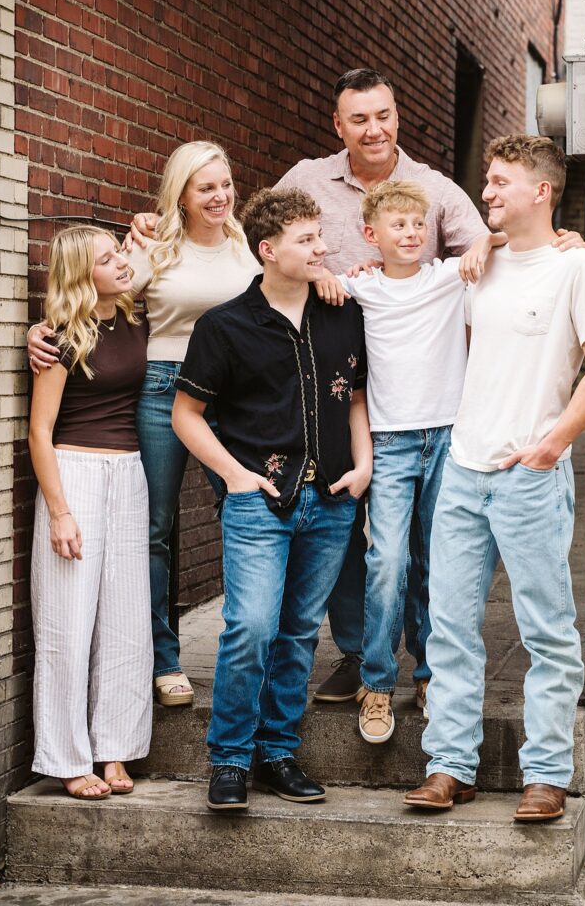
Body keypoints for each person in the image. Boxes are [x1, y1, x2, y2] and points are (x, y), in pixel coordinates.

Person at [128, 69, 585, 704]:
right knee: (338, 531)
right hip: (305, 385)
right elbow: (265, 233)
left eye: (384, 115)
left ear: (397, 117)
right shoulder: (306, 179)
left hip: (384, 391)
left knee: (402, 543)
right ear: (338, 126)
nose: (374, 129)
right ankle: (351, 654)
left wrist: (555, 237)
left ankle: (423, 667)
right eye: (359, 119)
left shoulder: (433, 188)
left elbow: (494, 231)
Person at [403, 136, 585, 821]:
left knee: (547, 632)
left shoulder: (578, 269)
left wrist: (551, 445)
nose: (487, 194)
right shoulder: (481, 265)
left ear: (541, 190)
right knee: (449, 629)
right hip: (463, 471)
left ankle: (547, 774)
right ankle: (448, 766)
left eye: (499, 183)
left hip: (528, 475)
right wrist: (486, 247)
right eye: (485, 182)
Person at [27, 142, 262, 707]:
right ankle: (165, 659)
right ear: (179, 193)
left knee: (245, 511)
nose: (220, 195)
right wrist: (43, 332)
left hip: (228, 399)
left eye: (225, 184)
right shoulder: (154, 249)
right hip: (161, 390)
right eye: (205, 186)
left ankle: (250, 647)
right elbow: (92, 304)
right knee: (154, 530)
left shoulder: (244, 248)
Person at [171, 187, 371, 811]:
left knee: (300, 632)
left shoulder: (343, 313)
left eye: (320, 236)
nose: (322, 248)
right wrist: (233, 475)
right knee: (251, 627)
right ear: (268, 250)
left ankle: (278, 752)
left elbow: (356, 398)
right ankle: (230, 758)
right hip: (260, 496)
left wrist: (364, 466)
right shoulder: (224, 325)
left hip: (333, 499)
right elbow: (187, 415)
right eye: (307, 239)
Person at [334, 180, 472, 743]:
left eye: (419, 224)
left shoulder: (448, 278)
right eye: (398, 225)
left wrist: (566, 239)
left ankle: (432, 676)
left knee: (438, 562)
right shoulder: (359, 288)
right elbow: (304, 283)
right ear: (371, 235)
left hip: (448, 437)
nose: (411, 234)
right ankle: (377, 683)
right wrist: (325, 274)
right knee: (388, 561)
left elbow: (504, 251)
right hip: (388, 443)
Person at [28, 225, 152, 799]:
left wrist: (141, 240)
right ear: (83, 274)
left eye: (119, 252)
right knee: (67, 623)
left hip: (128, 474)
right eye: (108, 259)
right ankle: (68, 758)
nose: (122, 262)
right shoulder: (58, 337)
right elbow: (39, 430)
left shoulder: (133, 316)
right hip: (73, 473)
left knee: (126, 621)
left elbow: (159, 248)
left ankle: (115, 750)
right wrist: (59, 512)